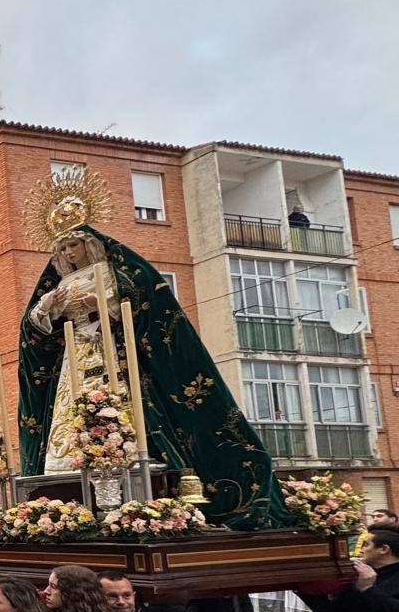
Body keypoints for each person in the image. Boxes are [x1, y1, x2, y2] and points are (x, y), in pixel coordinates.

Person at [16, 217, 289, 529]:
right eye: (63, 248)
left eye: (73, 244)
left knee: (118, 402)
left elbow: (140, 302)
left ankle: (127, 459)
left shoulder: (108, 271)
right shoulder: (61, 283)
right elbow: (35, 326)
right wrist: (45, 308)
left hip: (110, 349)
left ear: (89, 244)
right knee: (70, 407)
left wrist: (103, 302)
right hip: (74, 354)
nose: (69, 252)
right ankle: (67, 464)